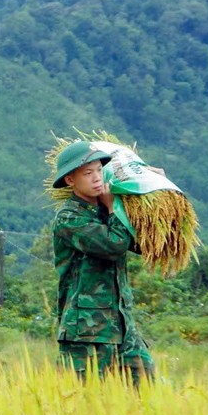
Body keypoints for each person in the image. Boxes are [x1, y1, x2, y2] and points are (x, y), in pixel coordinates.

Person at [49, 140, 153, 384]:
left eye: (99, 171)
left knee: (147, 390)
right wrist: (113, 208)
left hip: (123, 327)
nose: (96, 178)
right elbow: (115, 246)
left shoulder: (107, 211)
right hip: (86, 332)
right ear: (70, 180)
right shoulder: (69, 218)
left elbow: (141, 244)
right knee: (81, 402)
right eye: (88, 173)